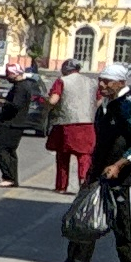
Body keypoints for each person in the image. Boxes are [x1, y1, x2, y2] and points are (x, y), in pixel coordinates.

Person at [74, 62, 131, 262]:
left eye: (107, 81)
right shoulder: (106, 106)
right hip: (100, 173)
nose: (102, 85)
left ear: (121, 82)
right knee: (86, 220)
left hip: (126, 177)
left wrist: (119, 164)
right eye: (101, 80)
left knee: (125, 225)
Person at [0, 56, 43, 189]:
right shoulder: (21, 86)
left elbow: (16, 105)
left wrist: (0, 101)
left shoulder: (20, 88)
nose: (7, 77)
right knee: (10, 151)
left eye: (8, 74)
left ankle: (8, 177)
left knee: (1, 149)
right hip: (15, 124)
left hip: (12, 124)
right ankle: (12, 178)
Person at [53, 57, 100, 196]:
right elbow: (99, 99)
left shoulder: (62, 81)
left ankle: (61, 186)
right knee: (84, 155)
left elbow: (54, 99)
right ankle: (83, 182)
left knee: (62, 155)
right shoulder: (92, 82)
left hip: (66, 123)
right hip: (87, 123)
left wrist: (48, 106)